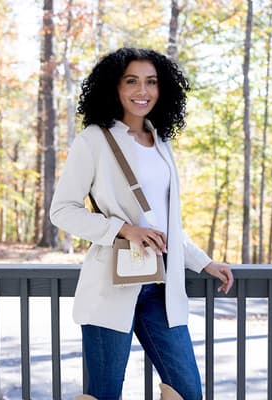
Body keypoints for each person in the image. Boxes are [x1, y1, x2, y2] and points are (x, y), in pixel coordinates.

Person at [50, 47, 234, 400]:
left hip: (161, 286)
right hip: (110, 284)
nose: (143, 91)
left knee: (187, 391)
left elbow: (165, 224)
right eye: (131, 81)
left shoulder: (161, 143)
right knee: (103, 394)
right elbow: (62, 211)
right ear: (114, 88)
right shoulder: (93, 140)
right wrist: (123, 229)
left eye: (151, 82)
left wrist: (204, 262)